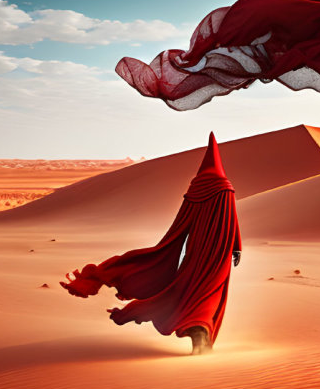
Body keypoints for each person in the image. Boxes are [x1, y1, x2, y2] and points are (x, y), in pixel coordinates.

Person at [61, 132, 240, 354]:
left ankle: (200, 336)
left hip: (196, 254)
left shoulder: (196, 190)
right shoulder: (226, 190)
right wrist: (236, 247)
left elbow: (180, 226)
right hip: (219, 256)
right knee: (210, 292)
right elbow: (232, 221)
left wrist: (164, 250)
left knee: (190, 289)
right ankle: (202, 338)